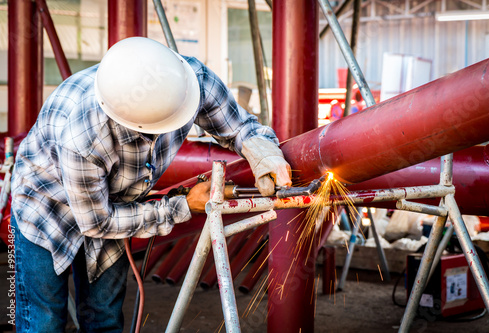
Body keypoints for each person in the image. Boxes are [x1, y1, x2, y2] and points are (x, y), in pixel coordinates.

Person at [10, 37, 292, 332]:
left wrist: (263, 152)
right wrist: (182, 207)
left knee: (103, 319)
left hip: (116, 204)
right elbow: (99, 223)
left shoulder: (189, 81)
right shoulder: (83, 136)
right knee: (44, 322)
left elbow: (238, 127)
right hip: (46, 208)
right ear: (128, 123)